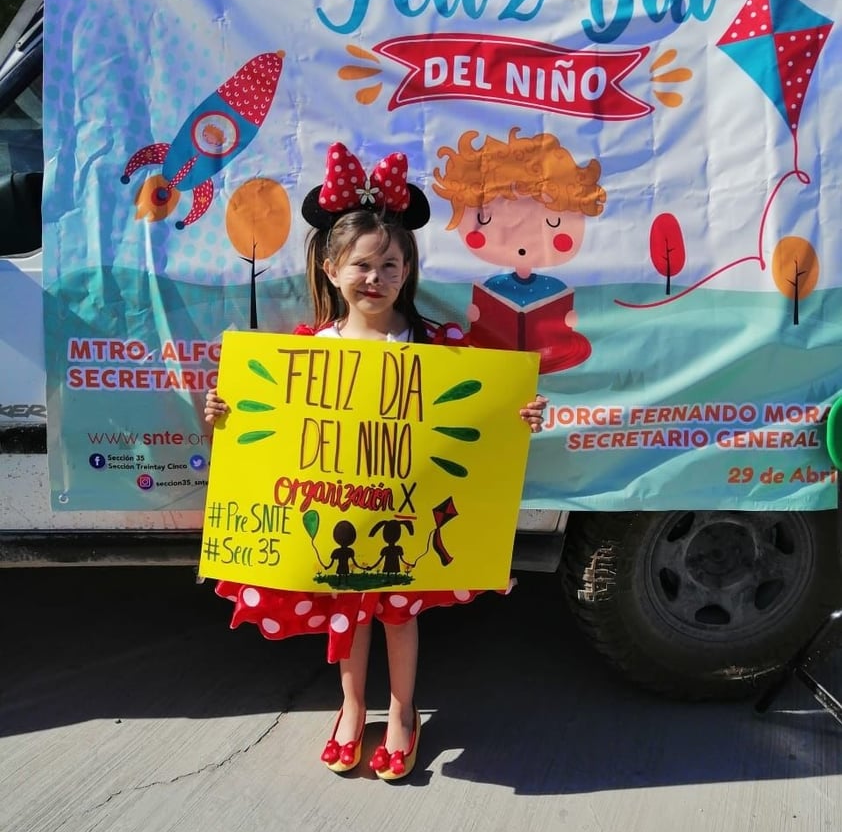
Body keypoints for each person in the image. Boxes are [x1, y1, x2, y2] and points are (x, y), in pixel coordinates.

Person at [205, 142, 546, 781]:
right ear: (332, 269)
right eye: (362, 264)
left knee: (399, 614)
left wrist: (517, 419)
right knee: (348, 608)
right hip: (334, 515)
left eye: (391, 264)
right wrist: (227, 413)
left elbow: (482, 410)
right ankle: (351, 706)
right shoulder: (307, 351)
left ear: (408, 270)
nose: (376, 277)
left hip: (405, 517)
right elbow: (269, 427)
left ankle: (402, 711)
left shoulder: (437, 346)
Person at [433, 127, 606, 373]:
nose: (523, 243)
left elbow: (565, 311)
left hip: (550, 354)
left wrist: (568, 319)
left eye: (553, 223)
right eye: (486, 219)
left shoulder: (554, 289)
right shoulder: (493, 287)